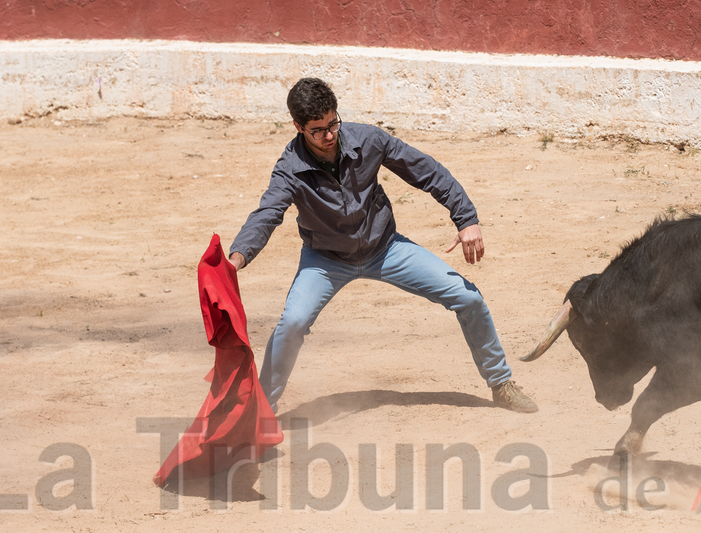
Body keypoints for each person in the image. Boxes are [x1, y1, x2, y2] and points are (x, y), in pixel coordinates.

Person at [228, 77, 537, 414]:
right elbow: (267, 213)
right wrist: (237, 258)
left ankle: (501, 384)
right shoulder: (290, 168)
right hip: (325, 261)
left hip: (385, 249)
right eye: (318, 130)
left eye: (333, 123)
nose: (329, 135)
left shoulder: (367, 139)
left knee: (467, 297)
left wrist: (466, 218)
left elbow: (425, 170)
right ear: (298, 127)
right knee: (292, 323)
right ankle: (259, 411)